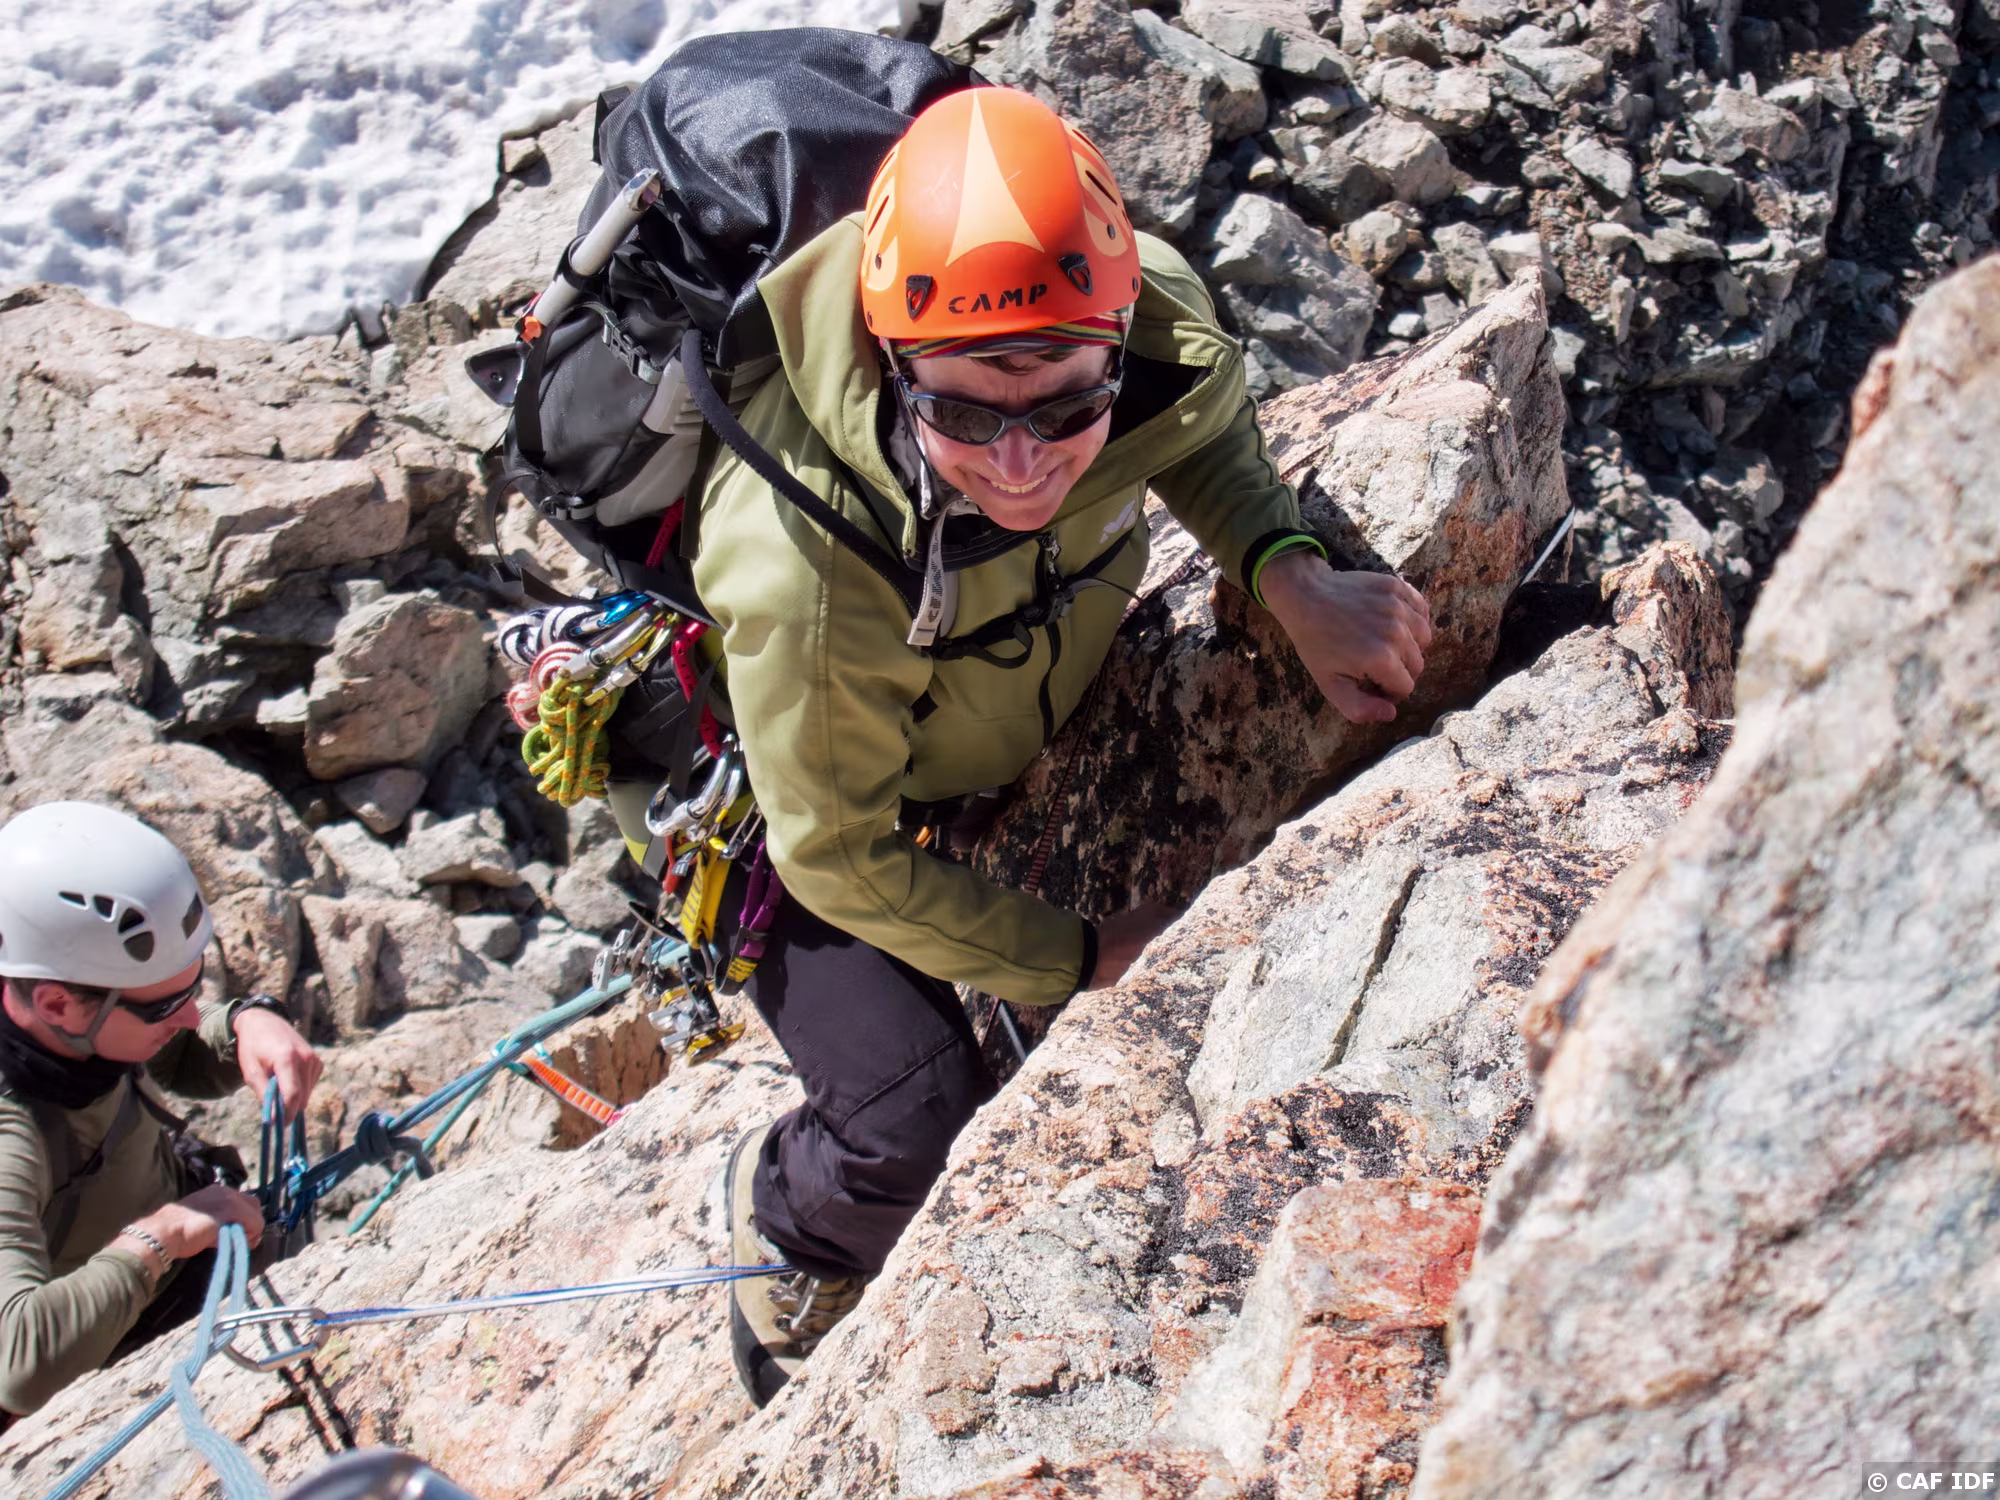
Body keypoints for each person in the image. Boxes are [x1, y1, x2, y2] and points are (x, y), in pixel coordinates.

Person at [681, 87, 1431, 1403]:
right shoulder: (805, 565)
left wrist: (1284, 568)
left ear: (1114, 343)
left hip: (970, 718)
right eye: (968, 417)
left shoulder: (1143, 321)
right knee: (911, 1120)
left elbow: (1192, 426)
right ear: (889, 358)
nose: (1024, 462)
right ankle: (790, 1219)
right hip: (779, 791)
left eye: (1068, 410)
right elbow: (836, 855)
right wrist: (1081, 956)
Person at [0, 801, 323, 1421]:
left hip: (178, 1263)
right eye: (163, 1008)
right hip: (107, 1351)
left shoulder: (67, 1015)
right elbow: (19, 1362)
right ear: (57, 1004)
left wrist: (246, 1022)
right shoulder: (11, 1131)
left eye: (191, 991)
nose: (187, 1015)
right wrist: (165, 1235)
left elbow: (174, 1050)